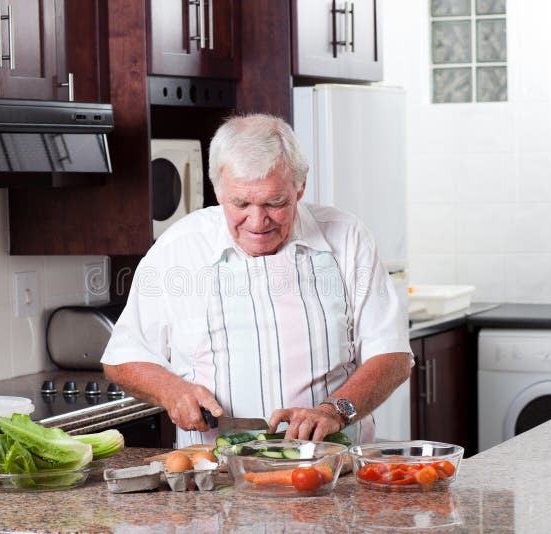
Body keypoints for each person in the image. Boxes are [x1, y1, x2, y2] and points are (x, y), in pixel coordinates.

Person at [102, 114, 412, 448]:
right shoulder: (177, 248)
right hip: (214, 470)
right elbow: (123, 357)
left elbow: (392, 356)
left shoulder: (348, 238)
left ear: (300, 186)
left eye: (274, 203)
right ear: (219, 190)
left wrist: (334, 411)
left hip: (333, 467)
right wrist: (171, 390)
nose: (257, 221)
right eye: (241, 203)